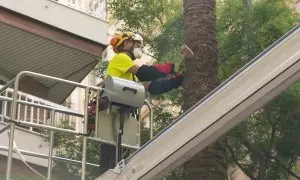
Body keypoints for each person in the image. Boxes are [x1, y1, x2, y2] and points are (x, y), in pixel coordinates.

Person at [89, 31, 183, 174]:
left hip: (118, 111)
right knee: (109, 151)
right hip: (111, 109)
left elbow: (149, 86)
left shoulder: (129, 74)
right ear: (127, 44)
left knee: (115, 151)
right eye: (137, 45)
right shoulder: (121, 58)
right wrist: (171, 68)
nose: (138, 48)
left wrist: (175, 81)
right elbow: (145, 72)